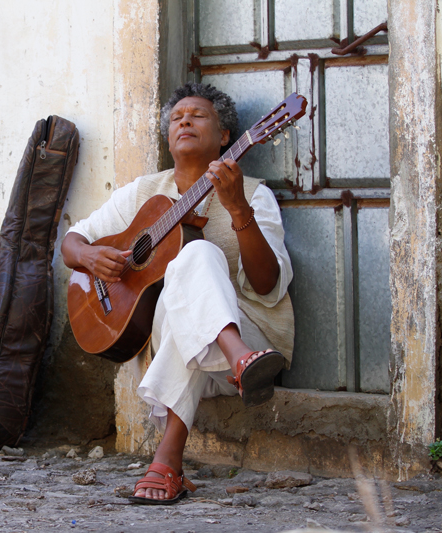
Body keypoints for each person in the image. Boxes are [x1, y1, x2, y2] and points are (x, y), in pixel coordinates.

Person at [61, 83, 294, 505]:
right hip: (172, 350)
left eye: (198, 115)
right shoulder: (142, 193)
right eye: (175, 117)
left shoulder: (254, 194)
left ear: (226, 137)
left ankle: (168, 457)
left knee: (197, 253)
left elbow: (266, 286)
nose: (184, 120)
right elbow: (72, 242)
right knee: (181, 280)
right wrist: (92, 258)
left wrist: (238, 210)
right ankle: (237, 358)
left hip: (249, 344)